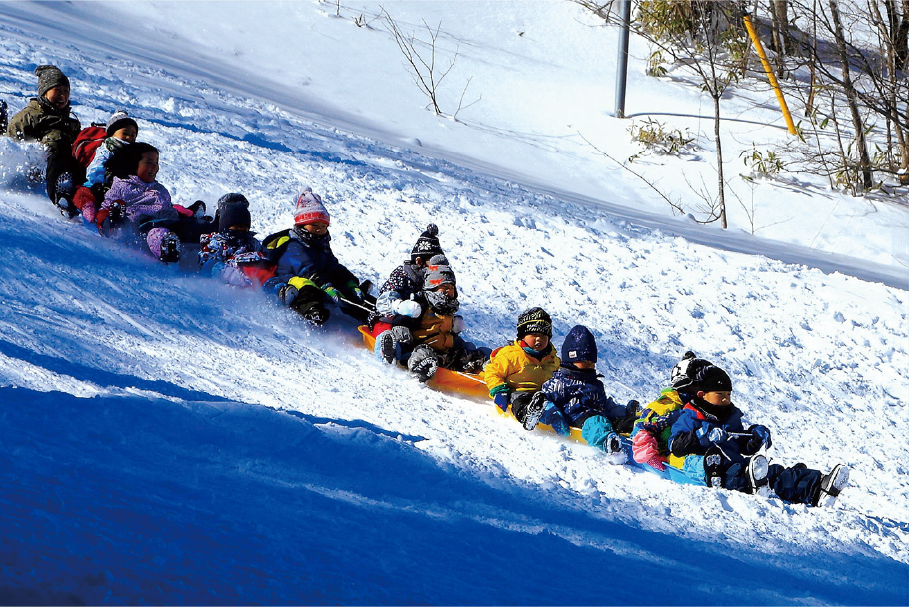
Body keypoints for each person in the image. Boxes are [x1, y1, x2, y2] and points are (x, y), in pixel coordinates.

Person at [634, 352, 849, 506]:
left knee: (773, 472)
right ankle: (753, 482)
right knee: (730, 471)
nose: (726, 399)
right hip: (701, 465)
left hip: (736, 462)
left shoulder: (727, 413)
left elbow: (739, 441)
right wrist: (700, 436)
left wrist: (753, 438)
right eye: (720, 395)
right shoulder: (684, 412)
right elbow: (671, 441)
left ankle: (817, 487)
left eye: (727, 395)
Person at [262, 187, 369, 325]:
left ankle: (368, 310)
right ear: (302, 224)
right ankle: (311, 310)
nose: (320, 229)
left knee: (344, 287)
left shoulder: (321, 243)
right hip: (293, 280)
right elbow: (306, 269)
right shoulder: (293, 244)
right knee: (305, 285)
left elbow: (333, 266)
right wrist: (326, 286)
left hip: (321, 280)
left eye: (323, 225)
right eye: (314, 224)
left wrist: (350, 282)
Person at [371, 260, 488, 381]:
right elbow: (400, 324)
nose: (449, 291)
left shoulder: (449, 310)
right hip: (420, 348)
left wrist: (457, 334)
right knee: (422, 354)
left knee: (474, 352)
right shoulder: (421, 305)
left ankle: (489, 364)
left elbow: (449, 334)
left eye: (452, 288)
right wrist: (402, 339)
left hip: (447, 353)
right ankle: (404, 359)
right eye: (445, 287)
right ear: (433, 287)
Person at [536, 325, 640, 458]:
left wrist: (623, 412)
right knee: (596, 423)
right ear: (571, 360)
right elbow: (543, 400)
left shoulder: (594, 383)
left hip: (601, 416)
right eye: (585, 362)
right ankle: (610, 444)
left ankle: (640, 432)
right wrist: (552, 412)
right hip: (579, 420)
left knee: (619, 420)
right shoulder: (560, 383)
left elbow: (605, 404)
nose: (589, 366)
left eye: (592, 363)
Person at [5, 65, 83, 213]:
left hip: (63, 165)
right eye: (57, 91)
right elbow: (10, 144)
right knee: (56, 138)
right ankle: (61, 195)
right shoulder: (29, 116)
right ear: (45, 92)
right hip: (38, 168)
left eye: (66, 91)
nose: (62, 96)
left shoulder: (70, 122)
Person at [98, 142, 183, 262]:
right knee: (156, 233)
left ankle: (210, 244)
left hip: (170, 222)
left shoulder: (159, 188)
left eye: (156, 163)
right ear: (133, 165)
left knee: (191, 226)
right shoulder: (122, 186)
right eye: (149, 163)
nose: (155, 167)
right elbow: (105, 209)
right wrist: (110, 220)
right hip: (143, 227)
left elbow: (169, 208)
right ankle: (167, 249)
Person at [482, 307, 560, 431]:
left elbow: (559, 375)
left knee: (558, 405)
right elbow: (492, 372)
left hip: (543, 395)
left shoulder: (552, 358)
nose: (539, 339)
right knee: (519, 401)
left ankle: (564, 422)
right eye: (534, 335)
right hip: (519, 391)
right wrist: (499, 390)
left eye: (543, 335)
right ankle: (527, 415)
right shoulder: (510, 355)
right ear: (523, 335)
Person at [368, 224, 445, 328]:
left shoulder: (434, 281)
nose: (437, 268)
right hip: (389, 318)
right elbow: (384, 301)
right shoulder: (402, 274)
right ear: (419, 261)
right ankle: (386, 342)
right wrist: (399, 306)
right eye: (433, 263)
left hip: (417, 324)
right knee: (385, 328)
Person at [72, 110, 139, 224]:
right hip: (98, 186)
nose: (129, 137)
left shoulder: (135, 153)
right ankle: (88, 207)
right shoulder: (107, 149)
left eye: (133, 135)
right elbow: (97, 165)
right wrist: (98, 182)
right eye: (125, 133)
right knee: (81, 193)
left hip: (121, 190)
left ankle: (113, 217)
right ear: (113, 133)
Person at [198, 193, 274, 287]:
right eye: (236, 226)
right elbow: (207, 265)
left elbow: (264, 257)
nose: (241, 230)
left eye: (244, 227)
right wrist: (231, 275)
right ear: (226, 225)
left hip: (254, 282)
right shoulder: (217, 243)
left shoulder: (251, 242)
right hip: (226, 286)